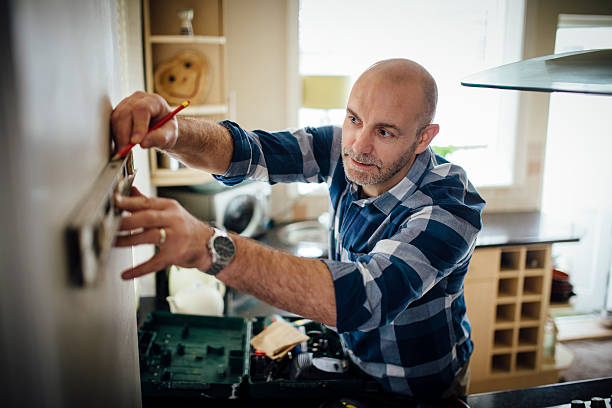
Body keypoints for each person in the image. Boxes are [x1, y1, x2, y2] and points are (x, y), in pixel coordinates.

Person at [111, 58, 485, 399]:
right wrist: (174, 131)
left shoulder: (451, 205)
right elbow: (250, 152)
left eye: (385, 133)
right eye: (354, 119)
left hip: (420, 386)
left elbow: (367, 298)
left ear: (424, 138)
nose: (359, 145)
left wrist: (208, 245)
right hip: (354, 359)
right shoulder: (344, 146)